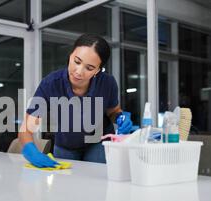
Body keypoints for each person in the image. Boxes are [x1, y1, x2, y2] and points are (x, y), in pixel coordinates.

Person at [19, 33, 134, 168]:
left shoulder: (107, 83)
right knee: (66, 185)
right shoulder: (51, 84)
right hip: (66, 146)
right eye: (77, 61)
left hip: (97, 143)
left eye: (89, 68)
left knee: (97, 183)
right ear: (70, 56)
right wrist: (30, 151)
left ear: (98, 70)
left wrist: (120, 118)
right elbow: (26, 128)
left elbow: (113, 111)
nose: (79, 72)